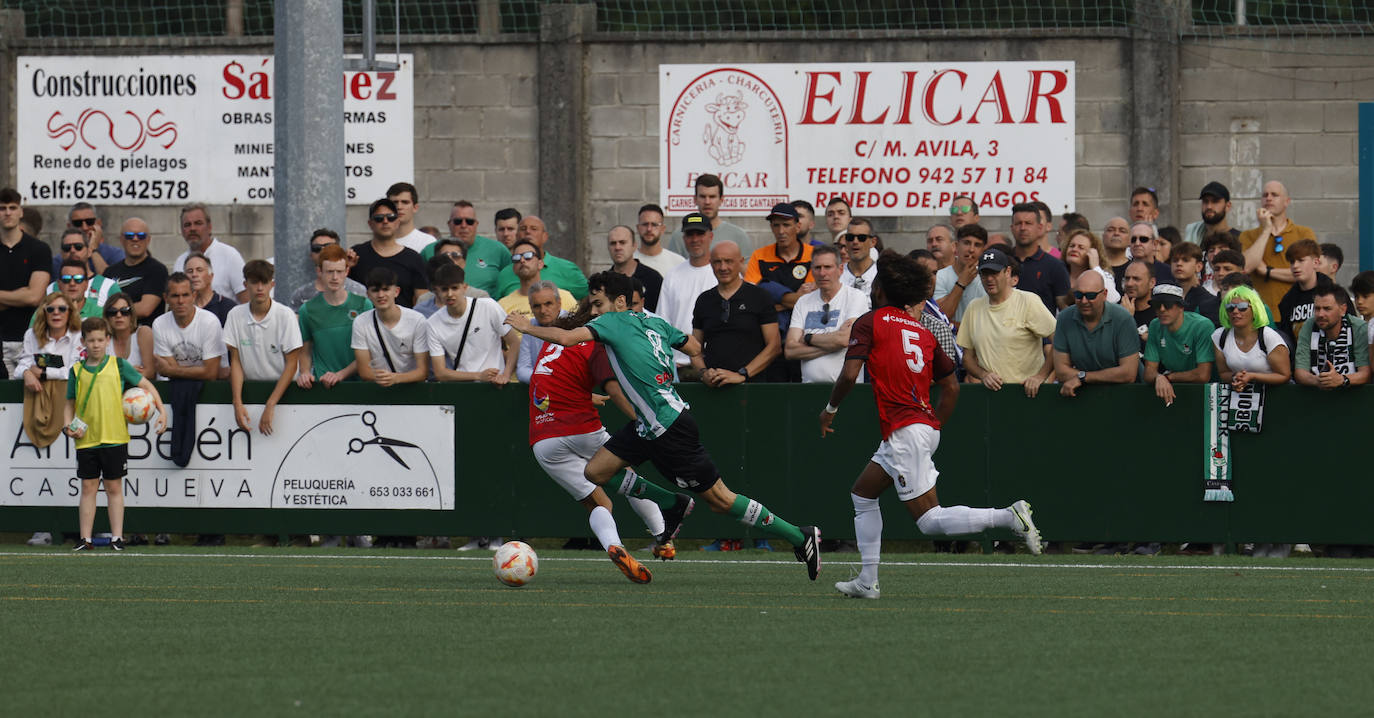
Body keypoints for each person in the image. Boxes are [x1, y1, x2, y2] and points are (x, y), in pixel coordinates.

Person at [506, 270, 824, 580]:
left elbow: (564, 337)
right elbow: (694, 347)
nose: (594, 311)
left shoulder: (611, 322)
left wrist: (525, 326)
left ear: (619, 303)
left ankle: (800, 536)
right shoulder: (655, 322)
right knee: (596, 471)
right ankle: (672, 503)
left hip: (668, 426)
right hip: (648, 423)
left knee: (720, 500)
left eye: (599, 303)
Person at [820, 252, 1042, 599]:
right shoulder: (922, 332)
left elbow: (849, 373)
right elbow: (951, 384)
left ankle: (1009, 516)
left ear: (880, 292)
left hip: (906, 429)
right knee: (862, 494)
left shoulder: (871, 321)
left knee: (929, 521)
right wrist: (933, 425)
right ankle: (867, 580)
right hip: (918, 426)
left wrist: (830, 409)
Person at [526, 303, 673, 581]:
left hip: (543, 440)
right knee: (627, 477)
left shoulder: (553, 345)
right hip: (581, 429)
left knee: (599, 504)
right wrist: (644, 420)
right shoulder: (594, 345)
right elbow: (615, 390)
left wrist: (585, 395)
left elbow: (550, 385)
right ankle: (663, 540)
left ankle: (614, 546)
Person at [65, 316, 167, 552]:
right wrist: (66, 425)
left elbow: (147, 386)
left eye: (100, 340)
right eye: (91, 340)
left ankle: (117, 538)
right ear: (83, 342)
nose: (96, 345)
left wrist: (162, 411)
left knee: (114, 488)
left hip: (115, 438)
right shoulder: (77, 371)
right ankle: (85, 539)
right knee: (88, 487)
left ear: (108, 340)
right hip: (86, 440)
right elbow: (69, 402)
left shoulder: (119, 365)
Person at [957, 248, 1057, 396]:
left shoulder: (1028, 301)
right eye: (984, 274)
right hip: (991, 395)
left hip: (1028, 393)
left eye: (995, 273)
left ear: (1008, 272)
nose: (989, 279)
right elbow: (967, 358)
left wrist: (1040, 376)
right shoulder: (973, 307)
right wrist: (983, 375)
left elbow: (1060, 341)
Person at [224, 260, 303, 435]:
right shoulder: (235, 315)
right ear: (245, 285)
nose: (260, 288)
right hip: (250, 392)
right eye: (254, 282)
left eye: (264, 282)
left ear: (272, 284)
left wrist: (271, 404)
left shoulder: (286, 316)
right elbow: (235, 362)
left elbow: (292, 365)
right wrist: (237, 402)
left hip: (287, 395)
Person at [692, 241, 781, 385]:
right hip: (713, 388)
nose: (723, 267)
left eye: (728, 261)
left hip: (752, 388)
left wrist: (742, 374)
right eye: (717, 262)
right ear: (710, 263)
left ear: (741, 262)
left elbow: (774, 346)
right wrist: (703, 373)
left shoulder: (760, 296)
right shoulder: (704, 300)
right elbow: (695, 349)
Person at [784, 244, 870, 384]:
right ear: (811, 271)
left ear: (840, 269)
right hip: (809, 391)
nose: (822, 273)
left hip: (846, 390)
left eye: (828, 267)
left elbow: (843, 339)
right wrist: (833, 345)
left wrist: (808, 338)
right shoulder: (803, 302)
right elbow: (790, 350)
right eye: (817, 268)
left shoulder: (855, 297)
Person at [427, 263, 517, 384]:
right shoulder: (432, 323)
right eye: (444, 289)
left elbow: (515, 343)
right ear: (437, 291)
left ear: (464, 287)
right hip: (462, 388)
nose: (449, 294)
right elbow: (440, 373)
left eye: (454, 288)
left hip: (496, 385)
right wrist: (479, 376)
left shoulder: (488, 306)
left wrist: (505, 375)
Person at [1053, 272, 1140, 397]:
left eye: (1091, 296)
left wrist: (1083, 378)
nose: (1084, 301)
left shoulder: (1123, 318)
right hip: (1085, 394)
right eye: (1078, 295)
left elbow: (1128, 373)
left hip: (1127, 395)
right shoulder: (1064, 318)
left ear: (1104, 294)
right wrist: (1084, 378)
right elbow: (1061, 371)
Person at [297, 245, 372, 389]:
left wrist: (340, 374)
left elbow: (370, 351)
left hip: (359, 387)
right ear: (319, 271)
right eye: (330, 272)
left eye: (339, 271)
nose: (335, 277)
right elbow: (305, 350)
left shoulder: (363, 304)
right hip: (324, 386)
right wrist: (305, 372)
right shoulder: (307, 310)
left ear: (347, 271)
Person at [1239, 180, 1317, 317]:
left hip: (1295, 313)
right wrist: (1266, 230)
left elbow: (1309, 273)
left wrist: (1267, 271)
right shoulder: (1248, 236)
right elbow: (1246, 267)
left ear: (1286, 201)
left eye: (1274, 195)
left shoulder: (1304, 233)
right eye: (1265, 195)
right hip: (1260, 313)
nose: (1268, 198)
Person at [656, 213, 717, 376]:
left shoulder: (723, 273)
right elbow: (662, 322)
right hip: (678, 366)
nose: (695, 239)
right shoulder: (672, 275)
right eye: (690, 234)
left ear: (710, 236)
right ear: (684, 238)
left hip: (713, 365)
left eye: (700, 234)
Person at [2, 187, 53, 381]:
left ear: (20, 212)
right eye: (2, 208)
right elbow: (27, 295)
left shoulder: (38, 249)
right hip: (1, 340)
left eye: (12, 207)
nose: (7, 213)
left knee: (38, 394)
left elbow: (34, 297)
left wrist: (26, 295)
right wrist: (20, 294)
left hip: (34, 340)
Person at [351, 267, 430, 386]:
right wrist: (389, 379)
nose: (381, 295)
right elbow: (364, 371)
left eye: (386, 289)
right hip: (380, 392)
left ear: (396, 291)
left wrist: (396, 378)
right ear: (368, 294)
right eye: (375, 290)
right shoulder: (360, 322)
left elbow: (423, 371)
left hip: (413, 390)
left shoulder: (417, 320)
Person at [1142, 284, 1216, 407]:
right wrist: (1159, 377)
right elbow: (1148, 373)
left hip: (1209, 395)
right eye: (1156, 305)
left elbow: (1203, 375)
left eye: (1168, 305)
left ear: (1181, 306)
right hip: (1176, 390)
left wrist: (1167, 377)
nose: (1161, 309)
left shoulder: (1202, 326)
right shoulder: (1155, 325)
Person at [349, 198, 429, 308]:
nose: (385, 221)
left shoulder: (413, 258)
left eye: (391, 218)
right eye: (379, 218)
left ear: (397, 222)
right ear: (370, 224)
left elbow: (422, 301)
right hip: (364, 322)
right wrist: (346, 267)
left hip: (403, 323)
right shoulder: (356, 255)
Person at [1212, 285, 1291, 391]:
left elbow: (1284, 375)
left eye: (1242, 307)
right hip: (1241, 399)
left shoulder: (1269, 337)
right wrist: (1236, 377)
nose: (1235, 311)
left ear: (1255, 309)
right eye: (1230, 307)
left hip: (1274, 395)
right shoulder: (1219, 336)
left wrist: (1252, 377)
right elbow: (1223, 373)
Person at [425, 200, 510, 297]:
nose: (464, 225)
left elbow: (511, 280)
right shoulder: (429, 250)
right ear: (449, 224)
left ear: (476, 224)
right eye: (458, 221)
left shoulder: (498, 250)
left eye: (469, 222)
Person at [493, 216, 589, 300]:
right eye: (523, 229)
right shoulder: (504, 274)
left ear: (545, 236)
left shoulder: (567, 269)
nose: (528, 232)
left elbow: (589, 297)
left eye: (534, 229)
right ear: (517, 236)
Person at [1294, 286, 1370, 390]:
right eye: (1317, 308)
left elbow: (1365, 373)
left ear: (1343, 309)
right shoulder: (1309, 325)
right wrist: (1318, 381)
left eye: (1327, 309)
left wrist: (1341, 379)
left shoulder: (1359, 328)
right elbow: (1300, 372)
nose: (1320, 314)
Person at [172, 203, 247, 303]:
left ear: (209, 227)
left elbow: (246, 301)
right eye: (187, 225)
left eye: (198, 223)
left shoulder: (229, 256)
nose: (192, 229)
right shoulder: (180, 262)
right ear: (182, 230)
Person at [101, 217, 168, 327]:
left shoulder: (157, 270)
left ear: (148, 240)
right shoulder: (110, 272)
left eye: (141, 236)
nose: (135, 239)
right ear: (121, 239)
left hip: (144, 337)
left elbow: (145, 309)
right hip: (113, 337)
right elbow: (99, 303)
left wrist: (111, 310)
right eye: (129, 235)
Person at [667, 173, 754, 256]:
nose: (707, 202)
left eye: (712, 197)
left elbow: (746, 270)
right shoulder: (679, 236)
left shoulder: (738, 236)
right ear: (695, 199)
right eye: (702, 196)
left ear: (721, 200)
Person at [1008, 202, 1070, 313]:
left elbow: (1066, 310)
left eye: (1028, 223)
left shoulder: (1055, 266)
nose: (1023, 228)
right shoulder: (1002, 262)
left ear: (1039, 227)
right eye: (1018, 223)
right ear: (1012, 228)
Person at [287, 229, 367, 309]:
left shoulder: (358, 291)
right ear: (311, 255)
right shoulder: (301, 295)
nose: (323, 251)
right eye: (317, 248)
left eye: (329, 247)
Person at [1275, 239, 1333, 345]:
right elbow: (1286, 338)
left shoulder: (1333, 293)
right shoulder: (1287, 301)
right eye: (1292, 262)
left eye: (1301, 260)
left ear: (1316, 262)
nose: (1295, 266)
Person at [48, 232, 118, 316]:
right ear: (62, 253)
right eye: (67, 248)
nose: (72, 251)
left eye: (78, 247)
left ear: (89, 251)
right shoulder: (51, 288)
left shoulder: (109, 286)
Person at [515, 281, 571, 384]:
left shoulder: (573, 324)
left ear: (559, 303)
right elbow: (522, 370)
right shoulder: (529, 326)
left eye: (548, 304)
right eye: (537, 306)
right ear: (531, 308)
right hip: (543, 391)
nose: (543, 310)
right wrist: (547, 381)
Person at [933, 223, 989, 326]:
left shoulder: (988, 278)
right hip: (948, 340)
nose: (971, 249)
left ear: (983, 251)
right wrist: (961, 283)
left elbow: (989, 321)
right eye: (967, 243)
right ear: (956, 246)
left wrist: (955, 325)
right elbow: (941, 317)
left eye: (977, 245)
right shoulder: (940, 276)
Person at [607, 225, 663, 311]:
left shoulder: (653, 279)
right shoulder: (604, 282)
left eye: (622, 242)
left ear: (634, 246)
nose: (617, 247)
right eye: (613, 243)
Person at [103, 292, 155, 381]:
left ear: (131, 315)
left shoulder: (143, 332)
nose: (119, 315)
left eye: (124, 311)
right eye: (113, 312)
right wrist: (129, 372)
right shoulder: (104, 338)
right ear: (107, 317)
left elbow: (150, 373)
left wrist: (114, 373)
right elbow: (100, 375)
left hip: (140, 391)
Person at [1169, 242, 1222, 328]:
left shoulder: (1209, 301)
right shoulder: (1165, 296)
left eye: (1185, 260)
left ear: (1199, 266)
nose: (1179, 264)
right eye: (1175, 260)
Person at [1062, 228, 1120, 304]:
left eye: (1081, 247)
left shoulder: (1103, 274)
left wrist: (1095, 267)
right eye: (1072, 246)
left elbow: (1112, 299)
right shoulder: (1058, 273)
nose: (1074, 249)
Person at [67, 202, 123, 274]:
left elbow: (110, 282)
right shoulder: (61, 259)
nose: (85, 228)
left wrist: (93, 250)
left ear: (98, 224)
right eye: (77, 223)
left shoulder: (115, 254)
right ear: (69, 226)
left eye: (89, 222)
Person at [182, 252, 237, 325]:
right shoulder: (180, 306)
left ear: (211, 276)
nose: (194, 275)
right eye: (190, 271)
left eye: (199, 270)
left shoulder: (227, 307)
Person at [633, 203, 684, 277]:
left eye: (654, 225)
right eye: (645, 224)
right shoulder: (628, 262)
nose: (649, 229)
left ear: (662, 229)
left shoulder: (678, 263)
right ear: (638, 228)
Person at [385, 182, 432, 254]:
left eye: (405, 202)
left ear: (415, 208)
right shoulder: (379, 242)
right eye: (394, 202)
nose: (399, 207)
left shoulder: (427, 243)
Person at [839, 218, 878, 292]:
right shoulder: (835, 275)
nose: (855, 242)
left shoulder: (881, 275)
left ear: (873, 242)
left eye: (861, 238)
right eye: (850, 237)